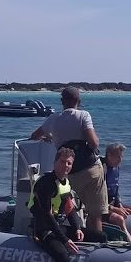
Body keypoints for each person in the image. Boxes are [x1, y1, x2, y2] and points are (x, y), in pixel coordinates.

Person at [29, 86, 108, 235]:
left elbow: (35, 136)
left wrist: (50, 137)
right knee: (95, 213)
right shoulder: (83, 115)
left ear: (62, 101)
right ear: (79, 101)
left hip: (68, 173)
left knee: (69, 204)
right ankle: (96, 241)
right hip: (90, 170)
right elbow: (94, 142)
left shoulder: (53, 118)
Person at [28, 147, 84, 262]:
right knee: (63, 257)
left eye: (69, 163)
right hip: (42, 230)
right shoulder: (45, 183)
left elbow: (70, 209)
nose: (66, 166)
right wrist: (65, 240)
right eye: (62, 162)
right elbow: (47, 216)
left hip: (58, 228)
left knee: (99, 236)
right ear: (55, 162)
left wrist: (77, 228)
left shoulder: (66, 183)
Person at [100, 143, 131, 242]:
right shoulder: (101, 169)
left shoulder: (116, 167)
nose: (120, 160)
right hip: (102, 207)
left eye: (121, 156)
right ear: (109, 155)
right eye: (118, 156)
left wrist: (120, 205)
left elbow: (116, 189)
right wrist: (113, 208)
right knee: (119, 219)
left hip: (112, 203)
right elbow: (96, 196)